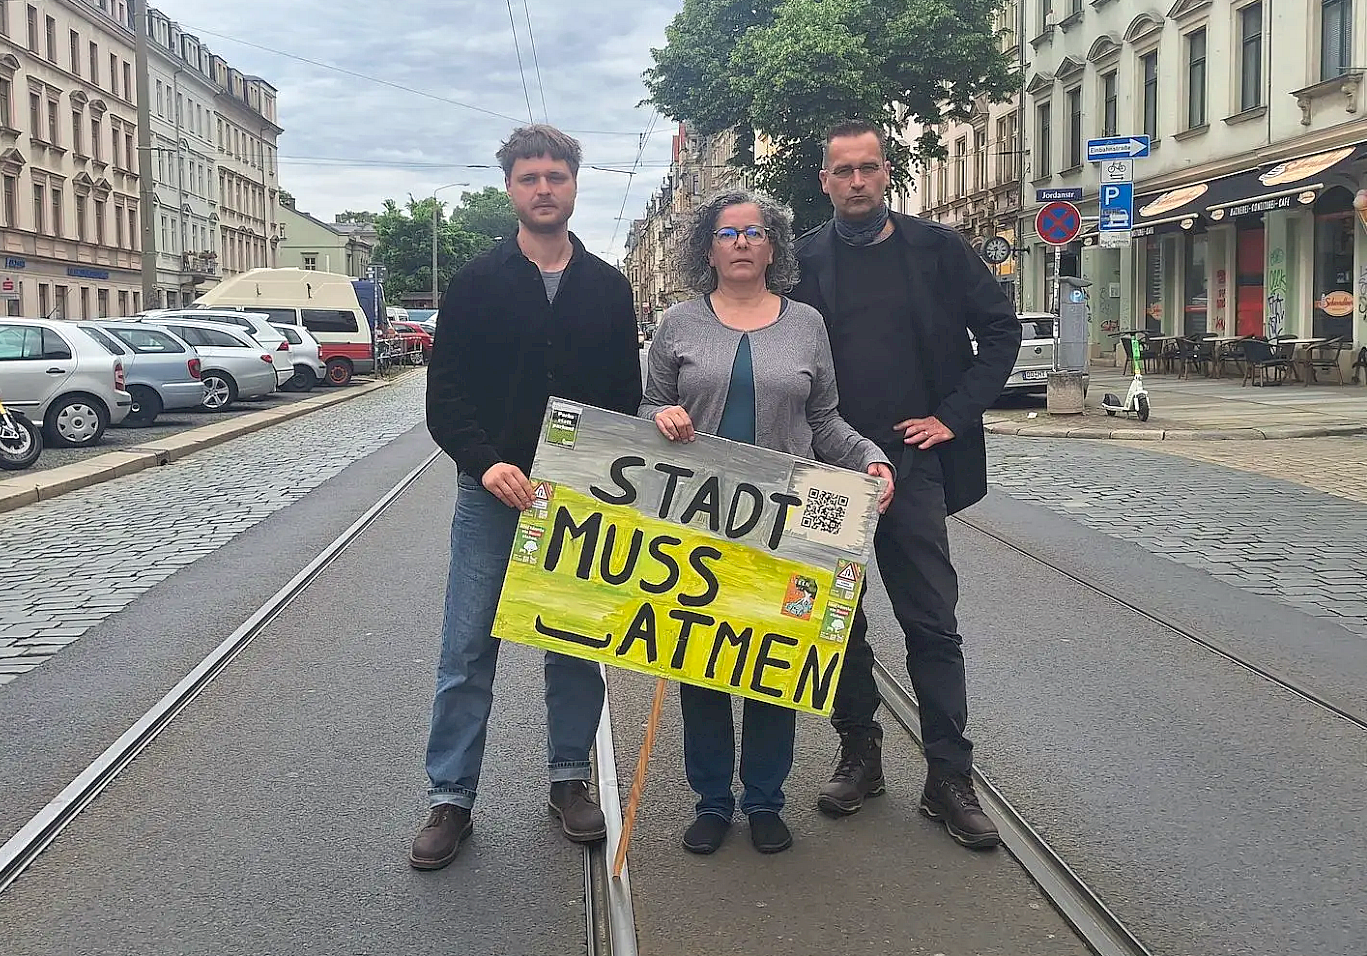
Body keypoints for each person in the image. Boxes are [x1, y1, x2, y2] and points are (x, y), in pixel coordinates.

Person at [410, 124, 643, 870]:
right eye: (529, 178)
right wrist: (486, 466)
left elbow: (622, 398)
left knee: (572, 645)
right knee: (467, 647)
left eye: (556, 177)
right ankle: (451, 798)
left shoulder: (607, 286)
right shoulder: (477, 282)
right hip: (491, 494)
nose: (544, 189)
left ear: (574, 184)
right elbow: (445, 398)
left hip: (575, 499)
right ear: (510, 187)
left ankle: (569, 779)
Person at [641, 188, 895, 856]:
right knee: (701, 666)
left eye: (755, 232)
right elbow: (647, 409)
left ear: (774, 246)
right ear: (707, 248)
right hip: (699, 525)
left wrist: (869, 457)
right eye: (728, 233)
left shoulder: (806, 324)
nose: (742, 243)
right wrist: (660, 416)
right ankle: (711, 801)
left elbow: (824, 420)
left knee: (773, 668)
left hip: (787, 527)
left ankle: (764, 800)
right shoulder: (677, 324)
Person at [790, 119, 1019, 849]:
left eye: (868, 168)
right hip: (827, 467)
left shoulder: (937, 249)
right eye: (843, 170)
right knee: (836, 622)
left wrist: (952, 415)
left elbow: (1001, 331)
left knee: (931, 622)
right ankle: (860, 751)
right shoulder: (802, 259)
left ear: (887, 173)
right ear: (825, 181)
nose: (856, 181)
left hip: (913, 465)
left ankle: (949, 775)